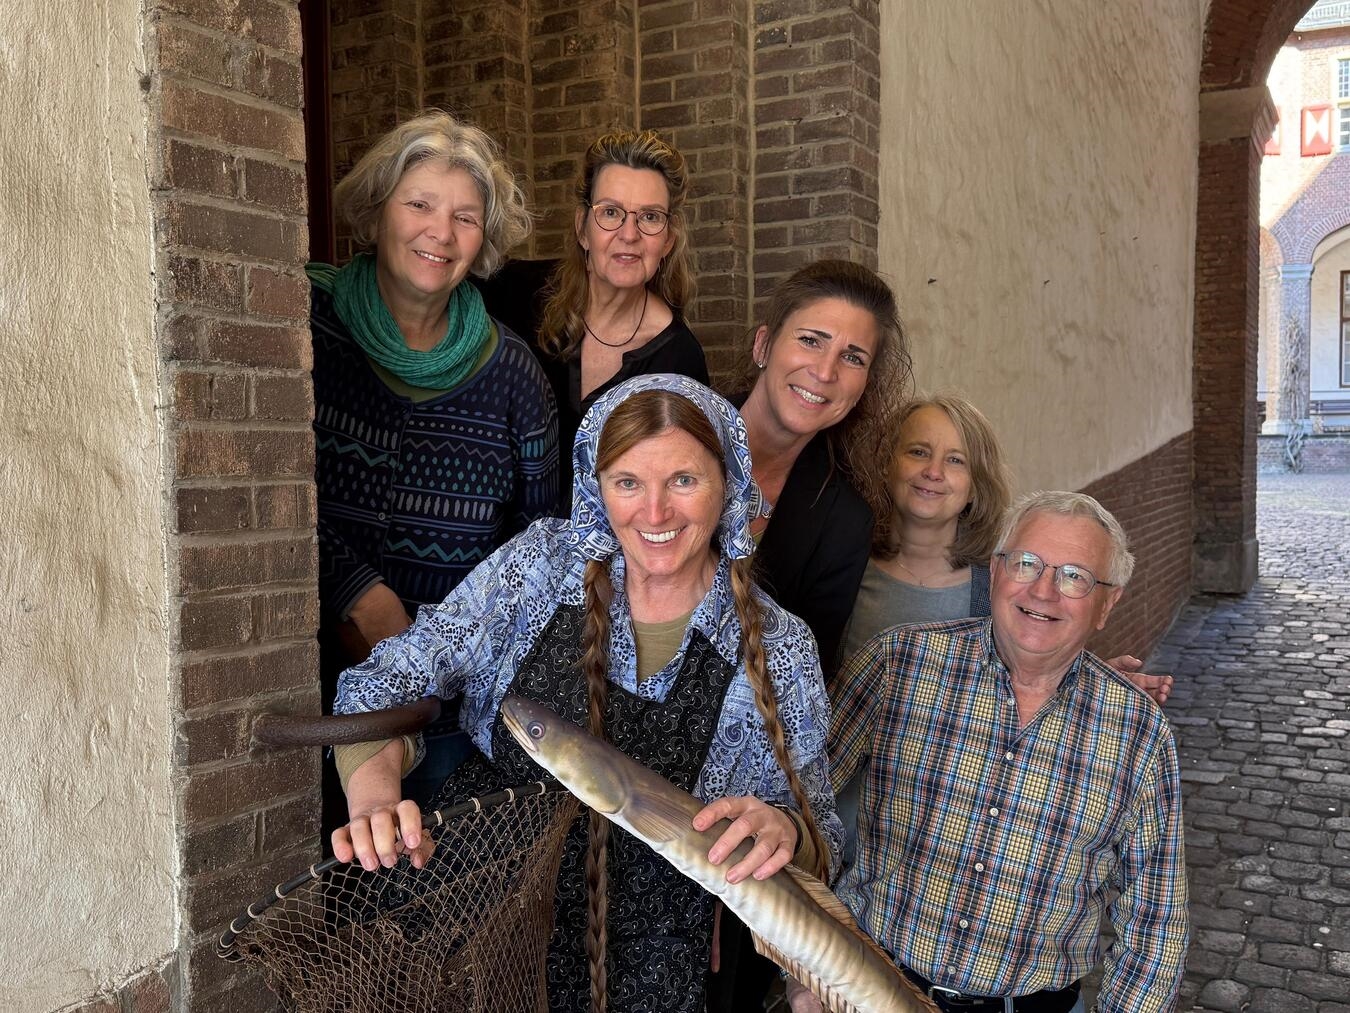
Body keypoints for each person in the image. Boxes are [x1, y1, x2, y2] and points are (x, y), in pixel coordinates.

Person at [329, 374, 842, 1013]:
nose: (654, 514)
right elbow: (389, 681)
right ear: (597, 486)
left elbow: (818, 831)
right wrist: (374, 798)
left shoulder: (778, 647)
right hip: (475, 931)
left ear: (730, 484)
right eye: (628, 482)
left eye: (684, 481)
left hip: (650, 967)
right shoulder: (541, 568)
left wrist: (784, 828)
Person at [794, 491, 1189, 1013]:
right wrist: (800, 967)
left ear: (1106, 603)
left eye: (1075, 576)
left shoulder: (1140, 733)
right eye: (1026, 563)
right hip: (866, 989)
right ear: (996, 571)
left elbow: (1156, 925)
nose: (1044, 591)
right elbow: (793, 807)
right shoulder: (898, 663)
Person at [308, 111, 559, 805]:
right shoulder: (304, 327)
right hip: (301, 689)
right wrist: (357, 589)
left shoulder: (514, 372)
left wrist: (458, 652)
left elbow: (540, 549)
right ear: (377, 209)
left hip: (450, 718)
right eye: (419, 203)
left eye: (465, 217)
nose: (439, 233)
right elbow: (247, 489)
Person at [734, 259, 912, 678]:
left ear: (865, 383)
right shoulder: (670, 428)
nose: (825, 372)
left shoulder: (844, 521)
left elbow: (801, 673)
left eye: (853, 357)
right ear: (763, 345)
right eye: (811, 340)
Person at [527, 129, 708, 505]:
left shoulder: (680, 360)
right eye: (610, 212)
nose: (629, 234)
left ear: (668, 240)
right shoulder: (523, 295)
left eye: (650, 217)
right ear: (582, 228)